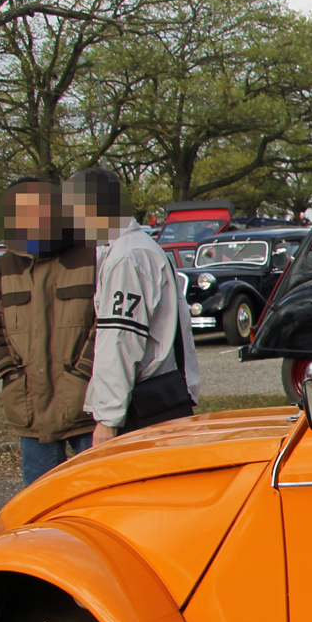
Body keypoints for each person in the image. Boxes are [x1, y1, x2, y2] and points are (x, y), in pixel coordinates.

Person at [0, 178, 98, 485]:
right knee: (40, 508)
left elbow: (107, 322)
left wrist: (84, 371)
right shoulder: (8, 263)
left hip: (87, 408)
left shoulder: (91, 254)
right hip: (31, 409)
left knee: (101, 497)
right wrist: (8, 370)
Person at [68, 167, 200, 442]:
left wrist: (108, 419)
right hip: (162, 397)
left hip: (143, 408)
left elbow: (121, 340)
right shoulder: (136, 248)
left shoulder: (126, 258)